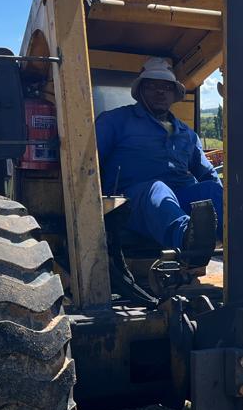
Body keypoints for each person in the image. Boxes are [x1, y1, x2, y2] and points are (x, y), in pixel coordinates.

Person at [94, 57, 222, 264]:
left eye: (166, 87)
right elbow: (89, 164)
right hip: (131, 202)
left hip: (179, 198)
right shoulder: (114, 121)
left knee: (211, 190)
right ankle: (187, 242)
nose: (160, 91)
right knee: (157, 189)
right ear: (141, 91)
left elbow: (207, 174)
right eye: (152, 85)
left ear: (174, 94)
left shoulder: (187, 134)